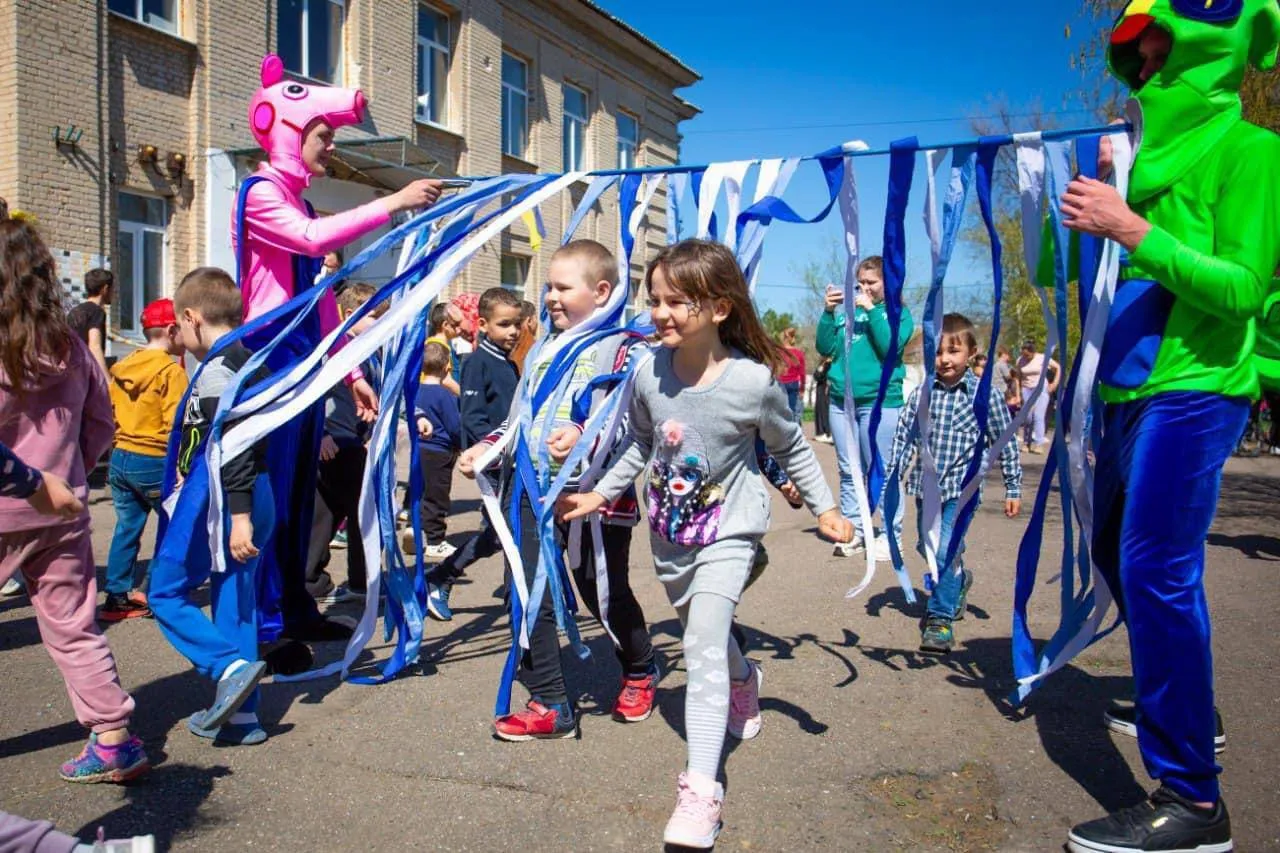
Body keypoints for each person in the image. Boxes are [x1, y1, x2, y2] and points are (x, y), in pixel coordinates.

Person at [1057, 4, 1280, 850]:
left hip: (1198, 386)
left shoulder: (1255, 150)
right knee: (1117, 551)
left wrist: (1135, 228)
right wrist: (1080, 209)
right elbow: (1081, 268)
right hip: (1122, 391)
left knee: (1158, 565)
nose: (1146, 63)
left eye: (1162, 47)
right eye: (1137, 54)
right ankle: (1187, 701)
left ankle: (1194, 800)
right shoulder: (1131, 162)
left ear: (1209, 45)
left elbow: (1243, 288)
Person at [559, 239, 851, 849]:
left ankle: (700, 790)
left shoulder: (752, 382)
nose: (661, 313)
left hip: (731, 531)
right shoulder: (647, 373)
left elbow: (792, 446)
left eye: (677, 302)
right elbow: (639, 444)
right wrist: (598, 492)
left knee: (700, 645)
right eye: (655, 300)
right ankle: (745, 679)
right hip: (670, 536)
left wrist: (826, 508)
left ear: (718, 308)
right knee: (707, 637)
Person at [233, 54, 443, 644]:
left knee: (300, 494)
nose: (329, 147)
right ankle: (267, 626)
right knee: (273, 497)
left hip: (303, 364)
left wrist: (348, 371)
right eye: (323, 135)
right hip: (272, 360)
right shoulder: (260, 194)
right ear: (288, 132)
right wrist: (394, 202)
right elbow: (309, 240)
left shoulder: (296, 199)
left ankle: (295, 607)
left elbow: (324, 304)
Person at [457, 240, 661, 740]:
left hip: (594, 499)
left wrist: (586, 431)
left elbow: (631, 415)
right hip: (528, 488)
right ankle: (549, 699)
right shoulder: (543, 348)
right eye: (547, 285)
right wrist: (487, 446)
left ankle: (639, 667)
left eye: (562, 287)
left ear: (602, 291)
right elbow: (520, 416)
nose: (549, 296)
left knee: (601, 590)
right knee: (528, 590)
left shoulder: (628, 346)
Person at [0, 218, 149, 784]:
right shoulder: (70, 345)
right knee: (74, 626)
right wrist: (72, 471)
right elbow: (102, 421)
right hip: (62, 508)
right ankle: (114, 737)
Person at [148, 267, 275, 746]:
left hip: (225, 497)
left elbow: (234, 448)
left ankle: (228, 666)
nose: (177, 339)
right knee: (234, 602)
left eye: (177, 329)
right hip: (255, 492)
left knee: (163, 591)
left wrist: (238, 517)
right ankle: (242, 719)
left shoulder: (219, 372)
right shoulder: (250, 361)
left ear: (190, 317)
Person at [887, 314, 1022, 654]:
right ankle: (958, 580)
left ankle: (940, 618)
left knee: (944, 550)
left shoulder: (985, 396)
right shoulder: (922, 394)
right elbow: (905, 437)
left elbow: (1004, 442)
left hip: (963, 491)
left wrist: (1013, 487)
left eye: (954, 351)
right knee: (928, 548)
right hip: (925, 489)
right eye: (937, 352)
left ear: (972, 354)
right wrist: (892, 476)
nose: (945, 359)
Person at [425, 286, 523, 620]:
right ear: (482, 324)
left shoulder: (508, 365)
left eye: (517, 324)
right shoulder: (478, 362)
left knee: (511, 533)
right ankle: (440, 577)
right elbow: (473, 418)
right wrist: (489, 454)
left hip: (513, 462)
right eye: (505, 324)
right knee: (504, 533)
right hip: (495, 465)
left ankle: (518, 601)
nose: (513, 331)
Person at [816, 254, 913, 562]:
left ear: (890, 283)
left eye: (872, 282)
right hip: (841, 402)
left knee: (882, 470)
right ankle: (854, 529)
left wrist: (871, 310)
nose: (865, 288)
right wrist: (828, 312)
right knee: (848, 470)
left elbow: (889, 348)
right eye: (861, 283)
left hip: (880, 403)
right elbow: (825, 347)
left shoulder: (899, 314)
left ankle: (890, 534)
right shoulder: (847, 312)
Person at [100, 298, 188, 621]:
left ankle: (116, 595)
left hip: (121, 456)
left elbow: (109, 411)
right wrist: (181, 464)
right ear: (171, 329)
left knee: (126, 528)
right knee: (172, 524)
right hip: (154, 458)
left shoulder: (124, 367)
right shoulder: (170, 372)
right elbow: (175, 425)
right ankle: (152, 590)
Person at [305, 283, 386, 604]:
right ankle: (360, 581)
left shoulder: (366, 352)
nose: (382, 323)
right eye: (376, 317)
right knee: (360, 513)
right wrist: (321, 433)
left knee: (330, 512)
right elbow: (316, 392)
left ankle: (314, 578)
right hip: (334, 441)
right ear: (350, 315)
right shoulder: (338, 352)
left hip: (352, 442)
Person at [405, 341, 461, 560]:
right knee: (437, 496)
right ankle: (436, 540)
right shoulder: (445, 395)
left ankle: (414, 527)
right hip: (440, 450)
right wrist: (462, 445)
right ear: (447, 366)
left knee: (419, 490)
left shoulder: (414, 392)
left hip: (418, 448)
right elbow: (454, 425)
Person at [66, 268, 113, 377]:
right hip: (87, 374)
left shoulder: (75, 311)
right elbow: (94, 346)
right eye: (113, 290)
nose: (113, 294)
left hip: (71, 374)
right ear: (105, 289)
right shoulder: (97, 311)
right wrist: (107, 380)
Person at [1016, 339, 1059, 453]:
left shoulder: (1042, 358)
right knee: (1028, 417)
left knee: (1038, 416)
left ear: (1033, 352)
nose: (1026, 357)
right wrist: (1018, 393)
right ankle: (1026, 442)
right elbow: (1017, 377)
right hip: (1026, 389)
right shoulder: (1020, 360)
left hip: (1041, 389)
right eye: (1023, 354)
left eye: (1028, 355)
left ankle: (1039, 443)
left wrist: (1054, 383)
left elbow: (1058, 367)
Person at [424, 301, 464, 396]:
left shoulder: (433, 343)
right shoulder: (439, 347)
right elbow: (446, 380)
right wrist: (467, 398)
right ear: (445, 325)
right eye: (456, 325)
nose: (459, 329)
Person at [776, 327, 806, 422]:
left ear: (783, 338)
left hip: (780, 384)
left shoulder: (778, 352)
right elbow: (802, 373)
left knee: (780, 410)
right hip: (793, 383)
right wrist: (802, 389)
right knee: (792, 410)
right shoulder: (799, 353)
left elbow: (774, 369)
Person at [510, 299, 538, 372]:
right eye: (536, 318)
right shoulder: (534, 346)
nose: (537, 323)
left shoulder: (506, 342)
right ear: (529, 321)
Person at [812, 357, 832, 442]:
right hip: (821, 389)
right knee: (820, 410)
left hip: (826, 389)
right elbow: (816, 376)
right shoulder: (823, 364)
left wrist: (822, 367)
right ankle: (822, 432)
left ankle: (828, 432)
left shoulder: (829, 364)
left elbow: (820, 376)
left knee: (825, 410)